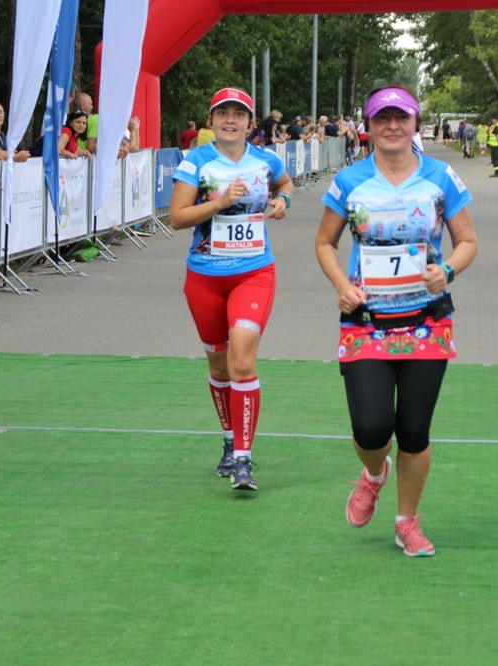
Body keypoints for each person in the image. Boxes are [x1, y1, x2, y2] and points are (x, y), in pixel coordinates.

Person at [315, 84, 477, 558]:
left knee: (413, 431)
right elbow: (325, 242)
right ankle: (373, 473)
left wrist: (447, 270)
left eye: (401, 117)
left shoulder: (440, 177)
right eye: (382, 118)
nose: (392, 126)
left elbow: (467, 241)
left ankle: (407, 521)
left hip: (426, 322)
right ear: (368, 126)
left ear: (415, 124)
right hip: (366, 321)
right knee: (371, 429)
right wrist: (341, 285)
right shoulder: (349, 180)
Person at [168, 87, 293, 492]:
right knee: (220, 367)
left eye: (239, 115)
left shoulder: (265, 160)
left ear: (250, 124)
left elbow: (286, 183)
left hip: (253, 273)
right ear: (211, 121)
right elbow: (177, 218)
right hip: (204, 276)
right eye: (223, 113)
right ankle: (227, 439)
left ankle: (243, 458)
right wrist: (219, 203)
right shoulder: (196, 162)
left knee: (241, 361)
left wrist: (283, 200)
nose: (230, 120)